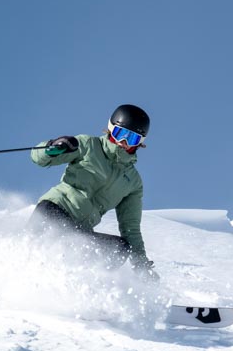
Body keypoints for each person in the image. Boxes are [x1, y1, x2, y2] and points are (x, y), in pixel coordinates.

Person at [29, 104, 157, 279]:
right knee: (54, 245)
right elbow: (38, 159)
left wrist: (142, 267)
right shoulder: (88, 145)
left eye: (132, 138)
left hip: (80, 230)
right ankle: (26, 267)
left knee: (119, 249)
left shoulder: (133, 182)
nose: (124, 142)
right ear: (111, 130)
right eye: (121, 134)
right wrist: (53, 147)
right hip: (54, 210)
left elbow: (131, 229)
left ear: (140, 143)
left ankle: (78, 286)